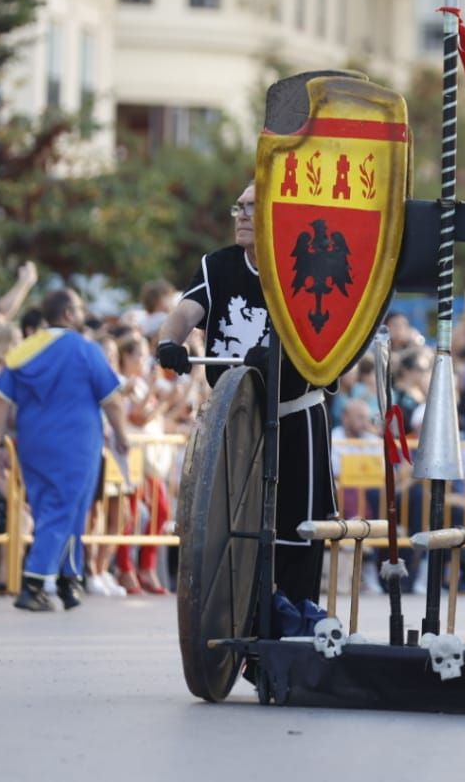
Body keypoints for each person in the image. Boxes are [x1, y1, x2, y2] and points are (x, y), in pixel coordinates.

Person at [155, 181, 335, 614]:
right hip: (236, 417)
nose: (241, 215)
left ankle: (296, 624)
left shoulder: (307, 270)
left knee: (299, 531)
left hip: (295, 415)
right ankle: (242, 626)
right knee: (230, 529)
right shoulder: (217, 266)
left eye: (253, 208)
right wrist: (169, 343)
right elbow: (184, 314)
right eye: (238, 207)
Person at [0, 288, 129, 612]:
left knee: (63, 510)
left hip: (34, 442)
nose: (83, 315)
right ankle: (33, 584)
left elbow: (0, 396)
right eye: (79, 309)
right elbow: (112, 400)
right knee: (63, 509)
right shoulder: (85, 349)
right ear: (68, 314)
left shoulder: (26, 349)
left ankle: (70, 580)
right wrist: (123, 435)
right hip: (76, 443)